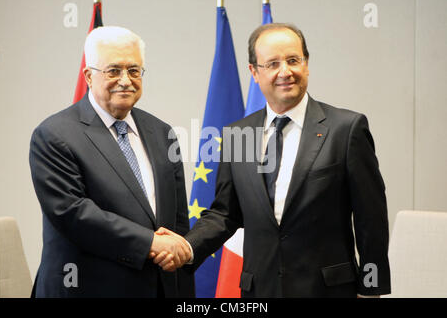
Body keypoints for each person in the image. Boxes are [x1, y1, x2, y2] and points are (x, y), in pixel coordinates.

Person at [155, 23, 391, 297]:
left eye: (293, 60)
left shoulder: (346, 128)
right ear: (254, 72)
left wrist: (371, 289)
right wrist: (187, 246)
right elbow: (225, 214)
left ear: (307, 64)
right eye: (273, 63)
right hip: (259, 291)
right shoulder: (236, 134)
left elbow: (371, 218)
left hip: (327, 290)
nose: (285, 72)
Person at [29, 26, 193, 298]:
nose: (126, 80)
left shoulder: (162, 133)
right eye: (114, 70)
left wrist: (177, 254)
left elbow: (177, 218)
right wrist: (151, 243)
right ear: (89, 76)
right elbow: (72, 213)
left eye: (134, 70)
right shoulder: (54, 135)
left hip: (156, 287)